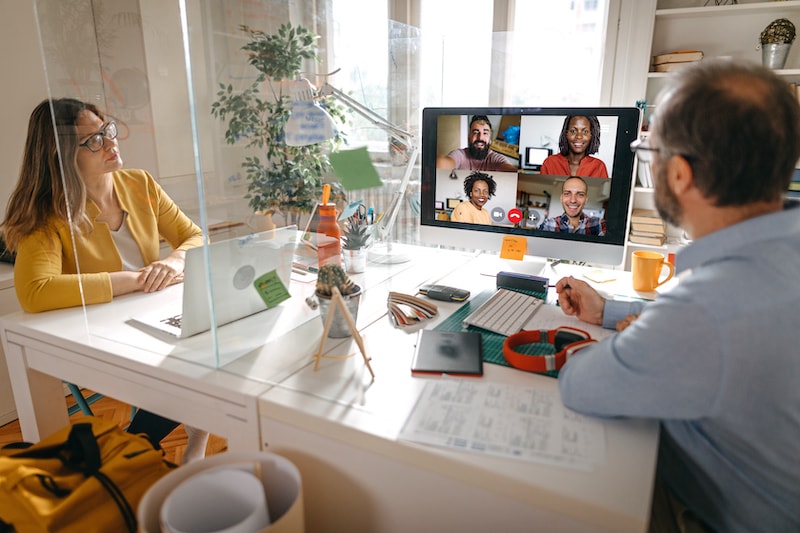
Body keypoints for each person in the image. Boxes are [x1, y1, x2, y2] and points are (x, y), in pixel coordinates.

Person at [554, 59, 800, 532]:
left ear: (680, 175)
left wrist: (638, 338)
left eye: (652, 151)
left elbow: (581, 385)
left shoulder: (708, 309)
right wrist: (611, 311)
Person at [1, 98, 210, 463]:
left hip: (150, 311)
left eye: (108, 130)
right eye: (94, 140)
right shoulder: (48, 210)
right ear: (62, 155)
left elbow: (194, 237)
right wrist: (133, 280)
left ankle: (164, 443)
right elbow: (35, 291)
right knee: (189, 363)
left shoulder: (139, 183)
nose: (111, 143)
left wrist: (174, 261)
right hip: (96, 328)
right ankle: (149, 448)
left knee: (206, 347)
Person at [436, 115, 518, 172]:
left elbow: (509, 170)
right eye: (475, 132)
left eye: (485, 133)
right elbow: (445, 163)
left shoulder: (496, 159)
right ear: (469, 138)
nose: (480, 138)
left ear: (490, 139)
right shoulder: (459, 155)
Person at [541, 115, 609, 178]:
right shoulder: (550, 163)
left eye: (585, 131)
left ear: (591, 135)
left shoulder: (599, 167)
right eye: (573, 131)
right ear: (566, 134)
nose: (579, 136)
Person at [538, 176, 604, 235]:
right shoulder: (548, 225)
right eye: (567, 193)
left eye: (580, 194)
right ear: (561, 198)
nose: (573, 200)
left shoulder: (600, 225)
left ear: (586, 200)